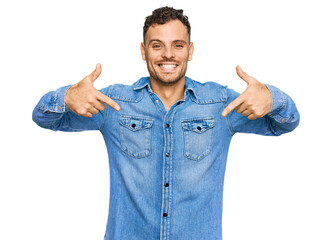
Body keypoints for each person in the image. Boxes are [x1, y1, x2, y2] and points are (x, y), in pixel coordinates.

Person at [32, 6, 300, 240]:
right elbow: (44, 118)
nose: (168, 55)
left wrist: (273, 98)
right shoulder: (114, 103)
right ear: (143, 50)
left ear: (190, 50)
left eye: (178, 45)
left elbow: (284, 124)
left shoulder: (220, 104)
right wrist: (66, 97)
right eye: (157, 45)